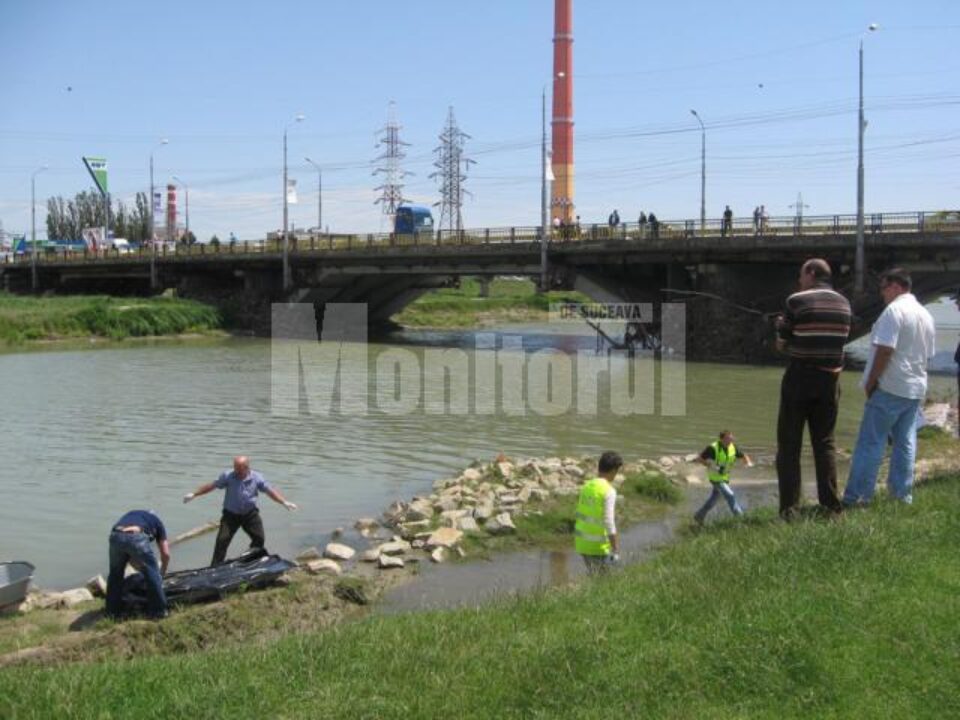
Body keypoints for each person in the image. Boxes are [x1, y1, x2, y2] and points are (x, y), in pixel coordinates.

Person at [843, 269, 936, 506]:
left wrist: (872, 382)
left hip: (890, 387)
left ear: (896, 286)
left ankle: (858, 498)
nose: (882, 293)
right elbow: (928, 356)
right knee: (905, 443)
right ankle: (901, 496)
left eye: (884, 287)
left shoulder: (894, 311)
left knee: (871, 443)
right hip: (914, 388)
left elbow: (885, 350)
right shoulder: (925, 314)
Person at [775, 258, 852, 518]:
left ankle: (789, 509)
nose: (800, 280)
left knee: (789, 445)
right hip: (831, 381)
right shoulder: (844, 303)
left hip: (800, 378)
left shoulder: (796, 301)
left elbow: (782, 343)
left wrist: (780, 328)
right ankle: (831, 506)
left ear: (810, 273)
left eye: (801, 274)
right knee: (824, 444)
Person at [184, 456, 298, 565]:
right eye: (235, 467)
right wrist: (194, 494)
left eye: (239, 468)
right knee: (222, 541)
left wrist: (284, 502)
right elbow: (212, 486)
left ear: (247, 467)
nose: (236, 471)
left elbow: (270, 491)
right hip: (230, 515)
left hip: (250, 514)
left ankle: (251, 562)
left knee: (259, 539)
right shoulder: (228, 475)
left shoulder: (257, 477)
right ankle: (215, 567)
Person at [105, 509, 170, 620]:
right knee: (152, 573)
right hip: (136, 536)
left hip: (115, 535)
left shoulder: (131, 514)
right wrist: (161, 572)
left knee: (115, 575)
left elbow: (128, 555)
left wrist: (141, 568)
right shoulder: (157, 522)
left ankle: (112, 613)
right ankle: (158, 612)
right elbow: (166, 554)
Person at [574, 451, 622, 574]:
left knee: (594, 576)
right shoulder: (609, 491)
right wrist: (615, 548)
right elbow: (609, 521)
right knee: (605, 583)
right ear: (613, 471)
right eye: (617, 471)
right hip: (598, 547)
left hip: (582, 544)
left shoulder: (586, 486)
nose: (616, 475)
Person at [693, 430, 754, 524]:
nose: (730, 441)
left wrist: (747, 462)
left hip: (725, 477)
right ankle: (741, 518)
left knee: (713, 499)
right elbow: (699, 459)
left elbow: (743, 455)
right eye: (728, 439)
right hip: (715, 478)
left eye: (731, 439)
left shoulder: (732, 447)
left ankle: (699, 516)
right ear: (721, 439)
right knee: (730, 495)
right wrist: (709, 465)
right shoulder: (712, 448)